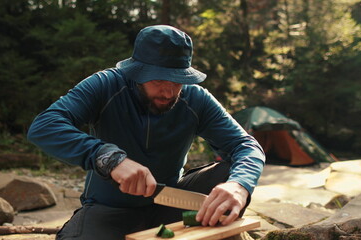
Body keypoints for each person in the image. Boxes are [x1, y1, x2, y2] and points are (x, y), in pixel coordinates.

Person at [27, 25, 265, 240]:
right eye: (159, 79)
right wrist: (108, 159)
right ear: (138, 72)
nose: (169, 92)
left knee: (227, 172)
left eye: (178, 80)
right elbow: (45, 126)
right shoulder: (106, 85)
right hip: (109, 210)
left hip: (170, 205)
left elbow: (246, 145)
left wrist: (239, 185)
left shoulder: (196, 99)